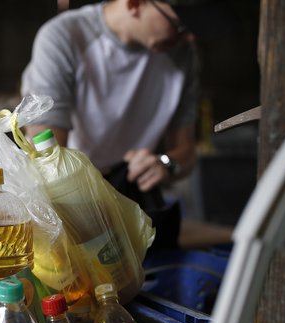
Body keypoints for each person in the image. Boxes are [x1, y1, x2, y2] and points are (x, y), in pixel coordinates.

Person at [22, 0, 231, 248]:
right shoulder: (65, 36)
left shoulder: (182, 54)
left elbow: (186, 153)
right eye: (180, 25)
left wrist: (164, 163)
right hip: (68, 199)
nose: (190, 38)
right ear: (134, 4)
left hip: (131, 194)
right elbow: (46, 151)